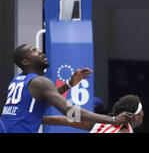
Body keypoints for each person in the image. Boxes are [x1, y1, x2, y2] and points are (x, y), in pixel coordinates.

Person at [0, 44, 133, 133]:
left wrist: (69, 85)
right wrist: (113, 120)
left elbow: (41, 102)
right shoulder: (40, 82)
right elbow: (71, 112)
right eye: (34, 51)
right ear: (25, 62)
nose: (40, 51)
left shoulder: (17, 80)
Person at [42, 94, 144, 133]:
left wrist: (41, 119)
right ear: (134, 117)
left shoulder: (101, 124)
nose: (143, 114)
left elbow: (66, 121)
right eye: (141, 111)